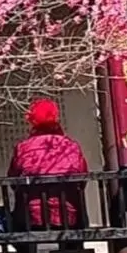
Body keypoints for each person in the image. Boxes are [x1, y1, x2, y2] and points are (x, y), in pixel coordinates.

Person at [8, 97, 89, 229]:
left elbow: (13, 180)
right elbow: (82, 179)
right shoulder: (71, 146)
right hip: (68, 216)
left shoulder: (23, 148)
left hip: (31, 218)